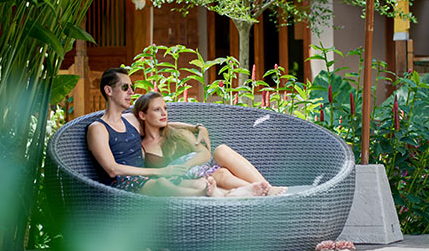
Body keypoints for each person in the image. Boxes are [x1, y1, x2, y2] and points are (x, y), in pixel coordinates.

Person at [86, 68, 219, 197]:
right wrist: (160, 171)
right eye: (125, 87)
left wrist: (198, 128)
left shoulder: (130, 120)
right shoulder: (98, 128)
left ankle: (208, 198)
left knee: (197, 183)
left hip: (146, 179)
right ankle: (199, 195)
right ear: (109, 90)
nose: (131, 92)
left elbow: (160, 124)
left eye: (132, 87)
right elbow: (112, 169)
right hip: (121, 186)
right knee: (162, 184)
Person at [132, 92, 287, 197]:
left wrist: (187, 164)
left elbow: (205, 153)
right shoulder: (141, 146)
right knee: (217, 177)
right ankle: (254, 191)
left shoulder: (176, 133)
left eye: (165, 108)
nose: (164, 113)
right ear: (142, 115)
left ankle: (266, 188)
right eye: (157, 109)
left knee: (221, 152)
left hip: (202, 169)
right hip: (187, 181)